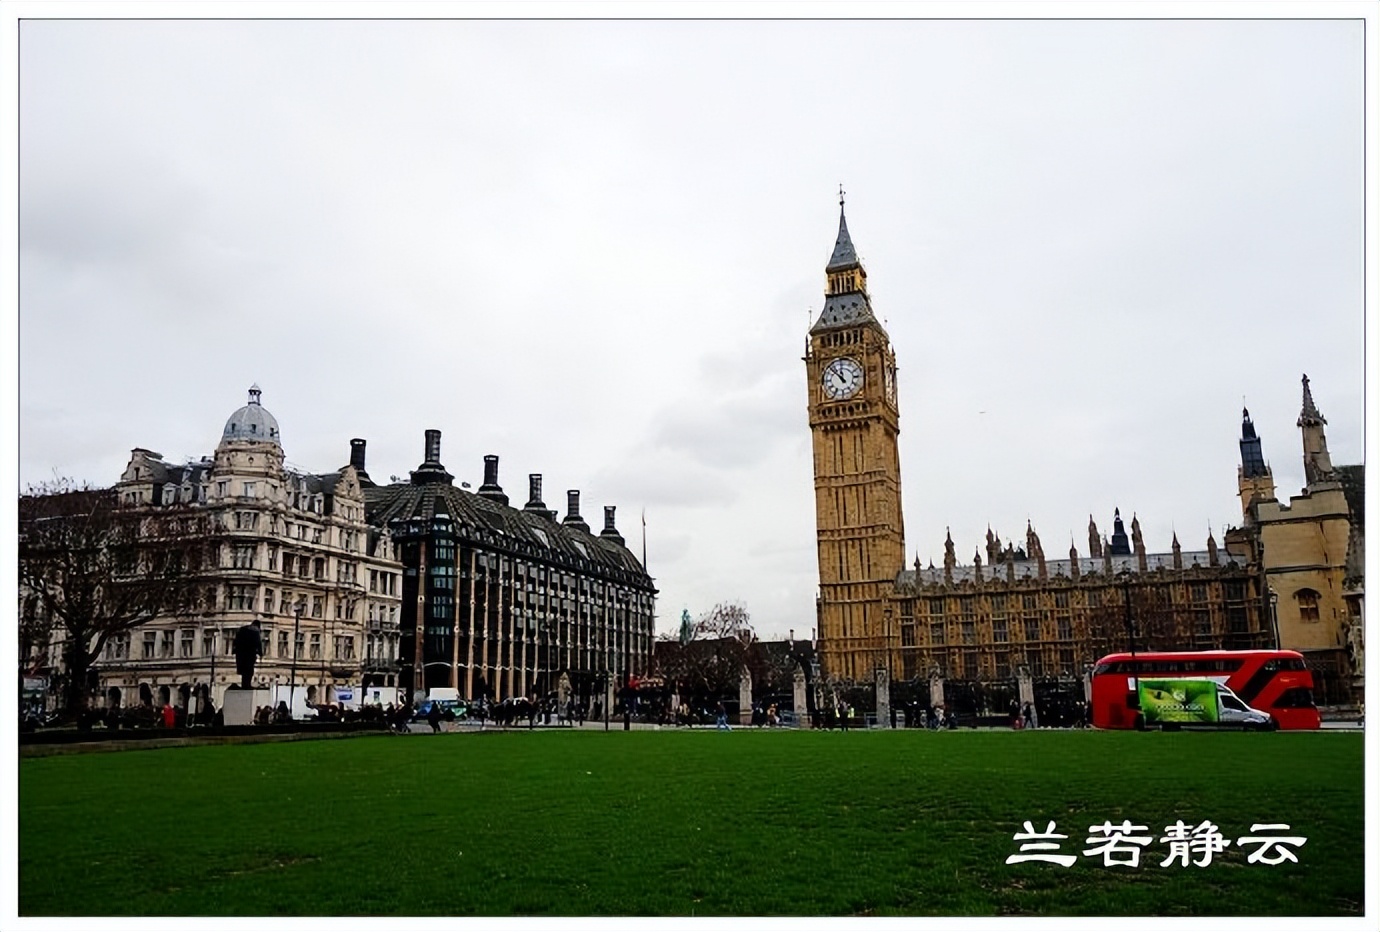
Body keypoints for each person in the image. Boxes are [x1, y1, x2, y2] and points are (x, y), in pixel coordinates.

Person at [231, 620, 263, 690]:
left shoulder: (242, 629)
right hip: (249, 654)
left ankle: (244, 684)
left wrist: (234, 650)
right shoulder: (255, 631)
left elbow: (235, 641)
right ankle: (247, 685)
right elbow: (258, 643)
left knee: (244, 671)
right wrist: (260, 653)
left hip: (240, 654)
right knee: (249, 671)